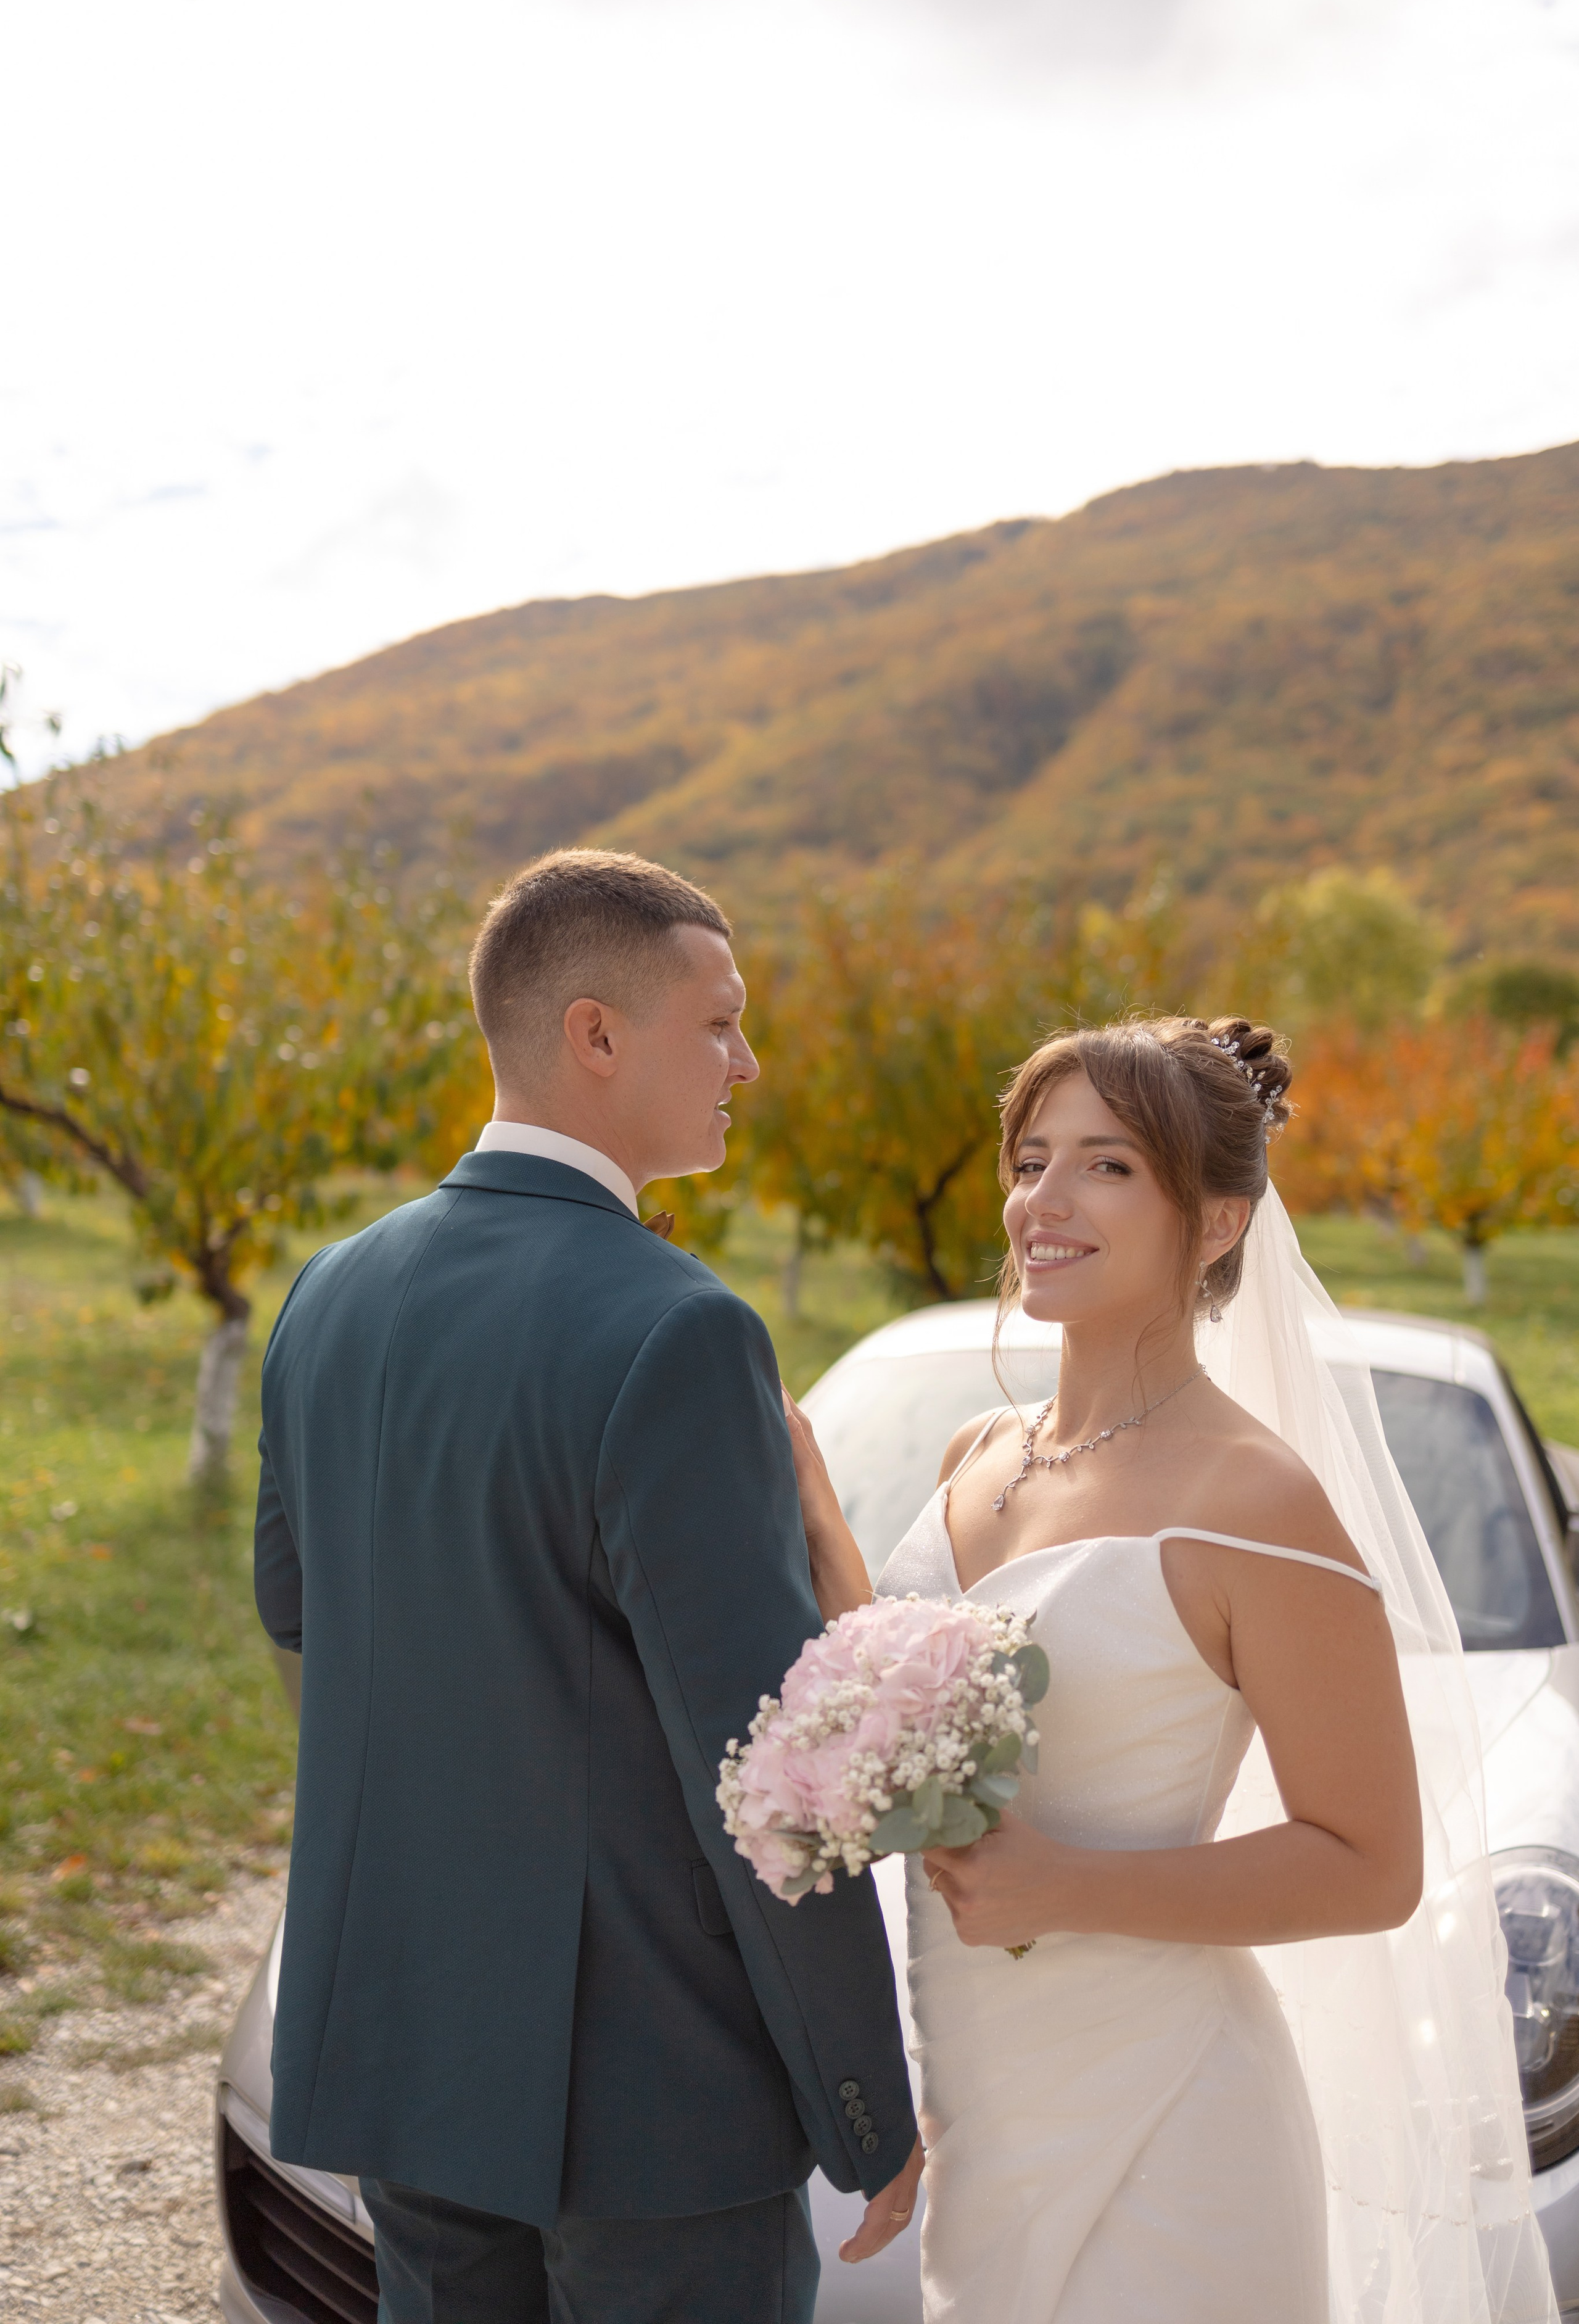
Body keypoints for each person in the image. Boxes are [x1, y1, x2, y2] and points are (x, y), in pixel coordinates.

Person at [785, 1014, 1557, 2323]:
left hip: (1166, 2116)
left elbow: (1368, 1864)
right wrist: (813, 1519)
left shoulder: (1252, 1498)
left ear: (1215, 1222)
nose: (1044, 1200)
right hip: (980, 2090)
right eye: (1031, 1160)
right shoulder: (976, 1448)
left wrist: (1065, 1884)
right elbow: (902, 1706)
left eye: (1107, 1166)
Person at [254, 848, 921, 2324]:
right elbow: (760, 1765)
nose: (747, 1059)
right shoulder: (678, 1332)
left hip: (407, 2055)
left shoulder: (327, 1294)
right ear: (595, 1036)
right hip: (650, 2103)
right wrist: (865, 2101)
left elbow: (301, 1614)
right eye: (721, 1022)